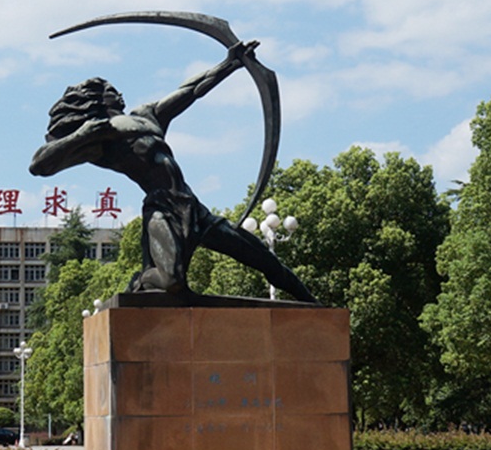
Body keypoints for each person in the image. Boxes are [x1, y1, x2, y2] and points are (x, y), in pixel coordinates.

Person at [29, 41, 317, 303]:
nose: (119, 93)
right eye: (111, 91)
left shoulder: (147, 115)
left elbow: (191, 90)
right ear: (97, 100)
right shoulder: (99, 137)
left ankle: (315, 307)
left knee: (263, 257)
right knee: (172, 282)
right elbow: (39, 165)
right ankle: (143, 279)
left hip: (193, 207)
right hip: (161, 208)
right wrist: (80, 136)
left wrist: (230, 63)